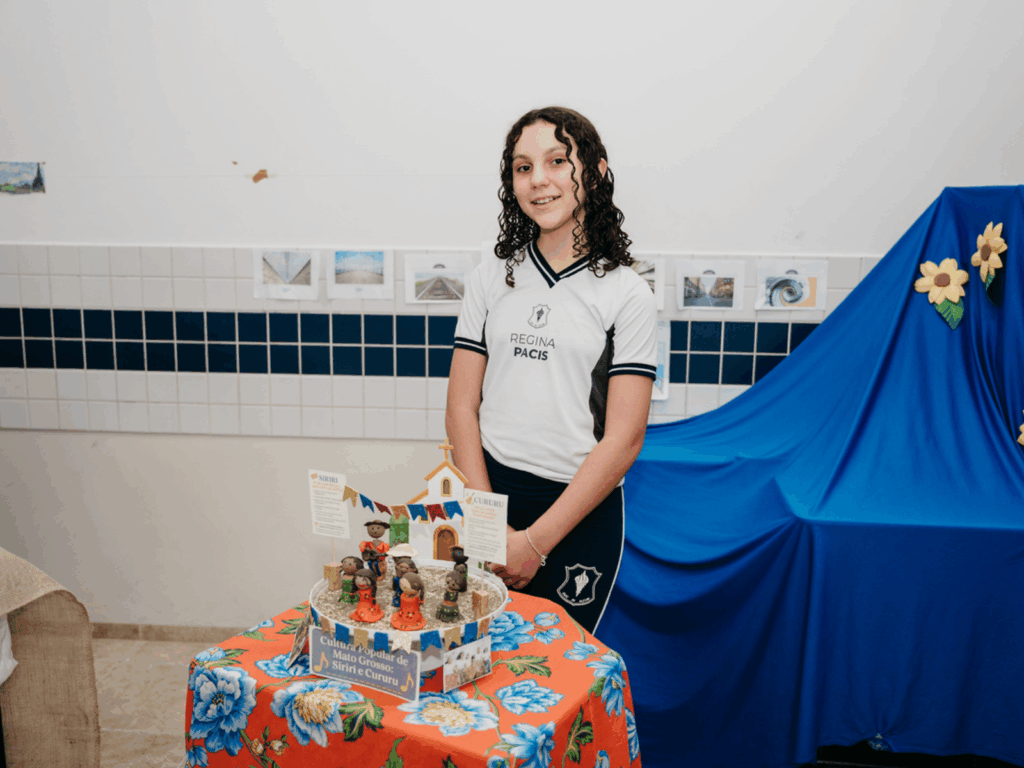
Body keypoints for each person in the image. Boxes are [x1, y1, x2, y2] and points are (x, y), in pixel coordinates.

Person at [446, 106, 656, 633]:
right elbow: (461, 408)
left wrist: (534, 543)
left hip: (578, 513)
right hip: (488, 492)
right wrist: (487, 521)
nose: (538, 179)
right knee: (475, 658)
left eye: (557, 161)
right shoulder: (491, 277)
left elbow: (624, 439)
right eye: (523, 167)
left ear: (597, 172)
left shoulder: (627, 292)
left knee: (557, 669)